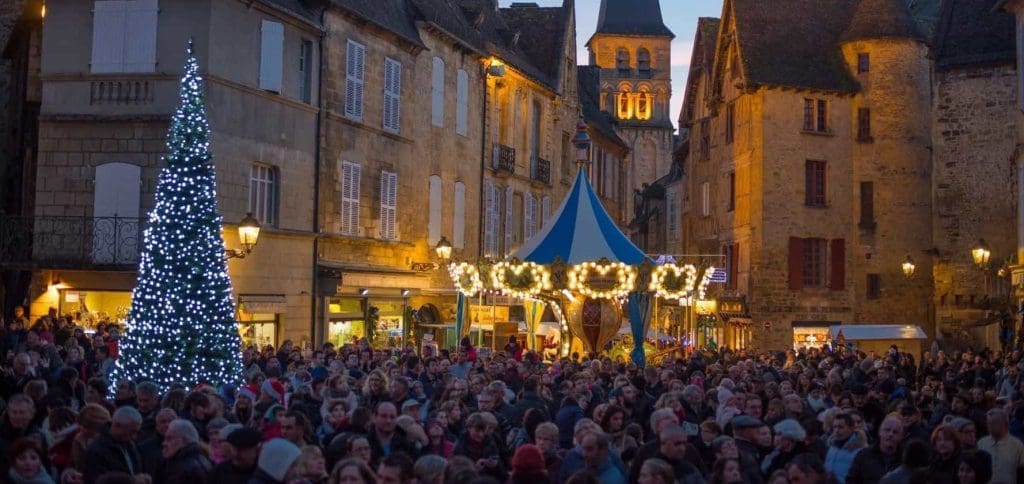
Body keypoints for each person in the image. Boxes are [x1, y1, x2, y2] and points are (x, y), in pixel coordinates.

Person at [81, 406, 146, 483]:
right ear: (117, 425)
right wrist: (131, 481)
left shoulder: (130, 445)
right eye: (132, 432)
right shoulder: (96, 450)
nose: (134, 436)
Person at [846, 415, 904, 484]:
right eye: (887, 430)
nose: (890, 434)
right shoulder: (863, 456)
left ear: (901, 436)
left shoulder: (905, 459)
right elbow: (851, 480)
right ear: (880, 432)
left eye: (895, 432)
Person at [976, 407, 1024, 484]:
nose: (990, 426)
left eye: (994, 423)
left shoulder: (1018, 445)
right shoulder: (981, 443)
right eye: (988, 423)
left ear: (1006, 424)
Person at [159, 418, 213, 483]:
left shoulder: (183, 469)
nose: (164, 443)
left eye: (169, 439)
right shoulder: (203, 459)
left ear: (183, 441)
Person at [824, 412, 866, 484]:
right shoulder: (831, 447)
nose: (836, 431)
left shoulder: (860, 451)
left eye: (840, 427)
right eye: (835, 427)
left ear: (851, 428)